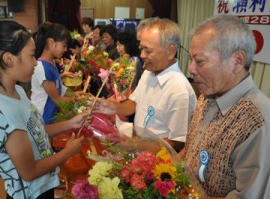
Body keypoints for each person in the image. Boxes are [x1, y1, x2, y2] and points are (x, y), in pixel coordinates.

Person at [0, 21, 89, 199]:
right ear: (8, 59)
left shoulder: (17, 91)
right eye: (32, 56)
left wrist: (71, 123)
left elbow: (36, 130)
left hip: (42, 187)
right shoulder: (1, 108)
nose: (35, 63)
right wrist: (68, 152)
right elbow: (29, 171)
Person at [183, 15, 270, 198]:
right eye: (191, 59)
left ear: (237, 61)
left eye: (200, 61)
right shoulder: (208, 93)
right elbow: (193, 150)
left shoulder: (257, 121)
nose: (191, 69)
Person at [96, 18, 197, 152]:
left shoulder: (179, 90)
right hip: (138, 150)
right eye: (141, 49)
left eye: (148, 51)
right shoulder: (149, 72)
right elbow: (134, 104)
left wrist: (135, 144)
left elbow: (176, 143)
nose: (142, 55)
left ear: (171, 50)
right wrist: (112, 107)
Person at [31, 22, 78, 124]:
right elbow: (57, 99)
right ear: (51, 42)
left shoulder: (51, 62)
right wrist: (76, 99)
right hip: (43, 117)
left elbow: (58, 86)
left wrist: (74, 94)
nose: (65, 50)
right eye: (64, 45)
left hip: (51, 114)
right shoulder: (42, 67)